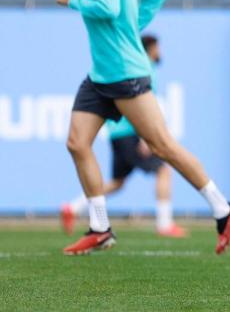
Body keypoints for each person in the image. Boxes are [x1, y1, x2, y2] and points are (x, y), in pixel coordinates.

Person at [51, 0, 230, 256]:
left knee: (162, 146)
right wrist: (130, 28)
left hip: (125, 73)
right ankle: (100, 227)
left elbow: (107, 8)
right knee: (77, 143)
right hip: (102, 74)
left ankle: (222, 208)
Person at [61, 35, 187, 238]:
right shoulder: (143, 68)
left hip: (117, 133)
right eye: (157, 48)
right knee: (164, 171)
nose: (160, 52)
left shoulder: (128, 66)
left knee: (118, 182)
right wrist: (146, 137)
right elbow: (142, 108)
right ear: (150, 49)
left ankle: (73, 207)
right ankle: (164, 224)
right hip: (131, 133)